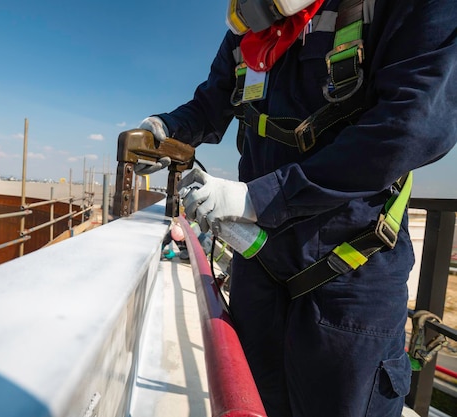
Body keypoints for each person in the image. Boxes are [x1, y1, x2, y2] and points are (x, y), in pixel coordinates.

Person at [136, 1, 457, 416]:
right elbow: (210, 105)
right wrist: (164, 130)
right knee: (257, 403)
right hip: (260, 265)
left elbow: (410, 126)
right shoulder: (250, 26)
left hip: (350, 278)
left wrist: (261, 198)